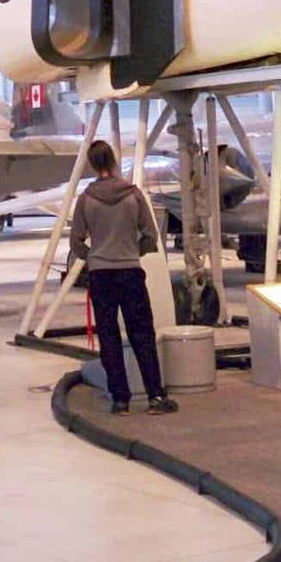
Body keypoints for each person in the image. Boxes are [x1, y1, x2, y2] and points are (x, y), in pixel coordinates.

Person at [70, 139, 178, 416]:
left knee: (109, 337)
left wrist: (93, 257)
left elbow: (76, 241)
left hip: (101, 275)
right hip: (130, 272)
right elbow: (150, 236)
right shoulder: (133, 195)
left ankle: (120, 400)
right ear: (114, 160)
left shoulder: (86, 199)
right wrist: (132, 251)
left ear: (93, 164)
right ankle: (155, 396)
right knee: (142, 334)